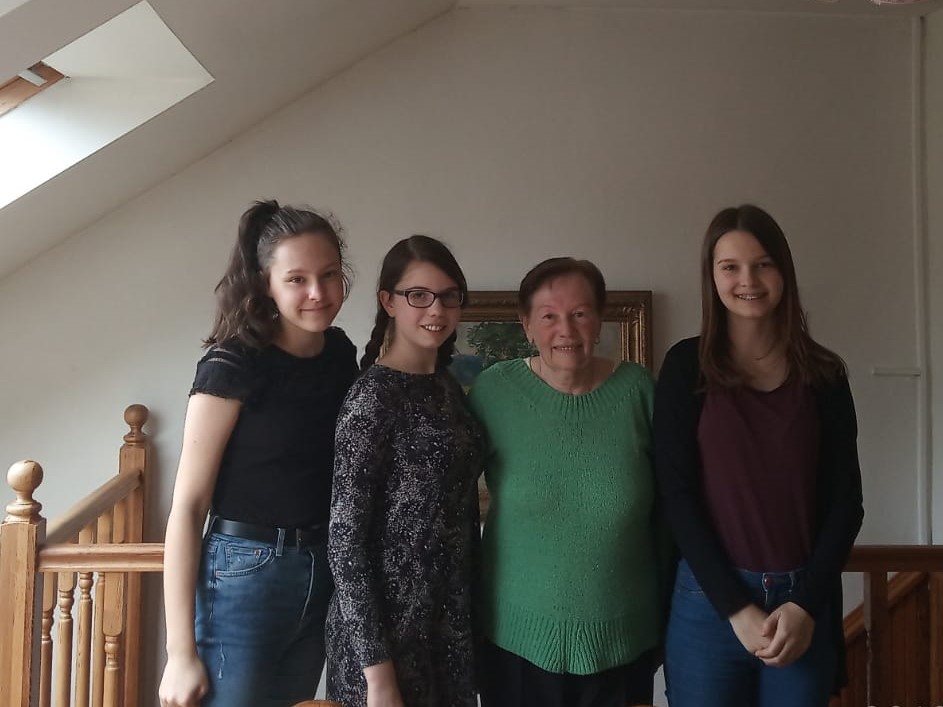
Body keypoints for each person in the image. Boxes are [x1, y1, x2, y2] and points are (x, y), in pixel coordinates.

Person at [654, 204, 864, 707]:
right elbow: (676, 496)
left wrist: (805, 604)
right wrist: (736, 608)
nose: (747, 279)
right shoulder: (686, 366)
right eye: (730, 266)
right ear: (712, 276)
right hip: (707, 603)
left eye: (763, 264)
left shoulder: (824, 374)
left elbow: (846, 503)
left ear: (784, 272)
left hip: (801, 604)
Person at [158, 200, 358, 707]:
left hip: (323, 568)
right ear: (266, 284)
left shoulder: (340, 355)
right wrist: (179, 653)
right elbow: (188, 507)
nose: (317, 293)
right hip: (243, 573)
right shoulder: (232, 364)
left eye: (329, 275)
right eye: (296, 279)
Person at [468, 257, 664, 707]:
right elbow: (449, 499)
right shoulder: (494, 393)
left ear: (599, 319)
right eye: (549, 316)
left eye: (579, 313)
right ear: (526, 325)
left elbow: (669, 514)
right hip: (515, 645)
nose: (566, 330)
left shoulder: (639, 393)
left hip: (623, 646)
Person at [326, 235, 483, 707]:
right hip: (385, 638)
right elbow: (344, 543)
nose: (437, 309)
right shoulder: (371, 399)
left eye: (449, 296)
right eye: (419, 295)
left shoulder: (448, 387)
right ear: (389, 302)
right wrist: (377, 672)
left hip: (448, 625)